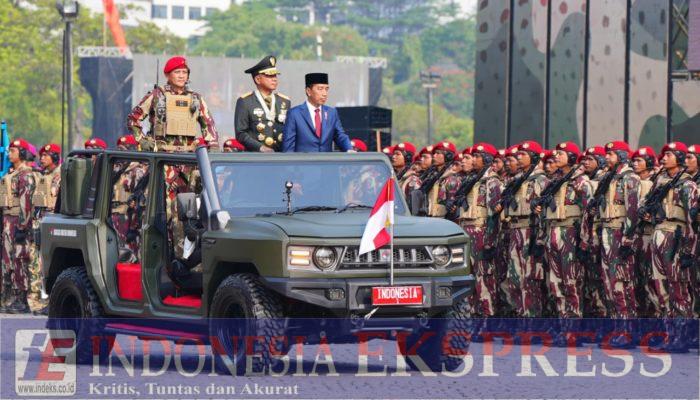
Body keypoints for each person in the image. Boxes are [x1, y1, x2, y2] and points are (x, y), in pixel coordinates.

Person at [535, 142, 591, 345]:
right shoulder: (555, 180)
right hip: (553, 232)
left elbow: (587, 214)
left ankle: (573, 331)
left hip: (570, 233)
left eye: (561, 154)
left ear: (572, 157)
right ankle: (562, 326)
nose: (556, 156)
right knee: (555, 283)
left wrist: (584, 241)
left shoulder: (581, 182)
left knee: (571, 283)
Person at [644, 142, 698, 352]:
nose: (664, 158)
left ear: (680, 158)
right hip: (659, 233)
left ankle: (683, 336)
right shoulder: (661, 183)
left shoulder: (687, 185)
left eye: (670, 155)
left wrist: (689, 251)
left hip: (677, 236)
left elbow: (692, 221)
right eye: (664, 155)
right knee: (661, 287)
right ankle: (670, 333)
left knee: (678, 289)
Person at [127, 55, 219, 153]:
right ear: (167, 75)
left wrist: (213, 146)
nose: (181, 76)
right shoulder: (157, 95)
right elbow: (133, 119)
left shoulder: (196, 98)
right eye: (177, 72)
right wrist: (142, 140)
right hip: (161, 158)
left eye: (184, 72)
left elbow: (209, 124)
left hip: (187, 158)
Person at [498, 141, 547, 318]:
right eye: (518, 154)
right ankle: (521, 318)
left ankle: (532, 322)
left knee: (529, 280)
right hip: (515, 230)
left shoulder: (541, 180)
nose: (518, 157)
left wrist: (540, 240)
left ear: (533, 157)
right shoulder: (516, 180)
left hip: (530, 231)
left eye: (523, 154)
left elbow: (544, 212)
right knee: (514, 278)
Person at [457, 143, 501, 323]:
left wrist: (490, 240)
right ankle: (473, 316)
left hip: (481, 231)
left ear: (487, 159)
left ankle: (487, 318)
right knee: (470, 277)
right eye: (472, 156)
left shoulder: (492, 182)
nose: (473, 159)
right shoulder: (472, 180)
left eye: (477, 156)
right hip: (466, 230)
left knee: (483, 277)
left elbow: (494, 215)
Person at [0, 139, 36, 313]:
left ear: (21, 153)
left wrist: (22, 227)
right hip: (7, 221)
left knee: (19, 260)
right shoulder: (11, 174)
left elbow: (26, 203)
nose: (9, 153)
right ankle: (8, 297)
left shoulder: (25, 175)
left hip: (17, 223)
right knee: (7, 261)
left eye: (13, 151)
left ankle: (22, 300)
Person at [630, 146, 665, 318]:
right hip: (638, 236)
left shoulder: (657, 182)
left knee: (652, 280)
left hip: (651, 236)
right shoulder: (636, 182)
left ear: (649, 163)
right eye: (634, 161)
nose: (635, 164)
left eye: (639, 161)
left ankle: (657, 318)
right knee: (639, 280)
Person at [28, 143, 62, 315]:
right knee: (40, 262)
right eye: (41, 155)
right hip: (42, 220)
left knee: (52, 261)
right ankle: (44, 300)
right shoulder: (43, 176)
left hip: (54, 221)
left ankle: (52, 301)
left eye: (46, 155)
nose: (42, 158)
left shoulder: (61, 175)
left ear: (55, 157)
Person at [282, 73, 353, 153]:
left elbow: (340, 136)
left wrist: (349, 149)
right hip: (303, 164)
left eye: (326, 89)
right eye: (320, 89)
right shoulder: (294, 114)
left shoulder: (331, 113)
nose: (324, 94)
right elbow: (288, 147)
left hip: (326, 164)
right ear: (308, 91)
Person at [234, 56, 291, 152]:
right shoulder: (245, 101)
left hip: (280, 157)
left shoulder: (284, 101)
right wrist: (260, 147)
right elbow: (241, 133)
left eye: (275, 75)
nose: (274, 79)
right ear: (257, 79)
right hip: (256, 158)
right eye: (269, 76)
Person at [111, 135, 149, 263]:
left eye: (123, 149)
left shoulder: (137, 171)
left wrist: (133, 227)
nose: (119, 152)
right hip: (115, 216)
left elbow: (139, 202)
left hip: (129, 219)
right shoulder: (117, 170)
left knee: (129, 255)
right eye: (119, 149)